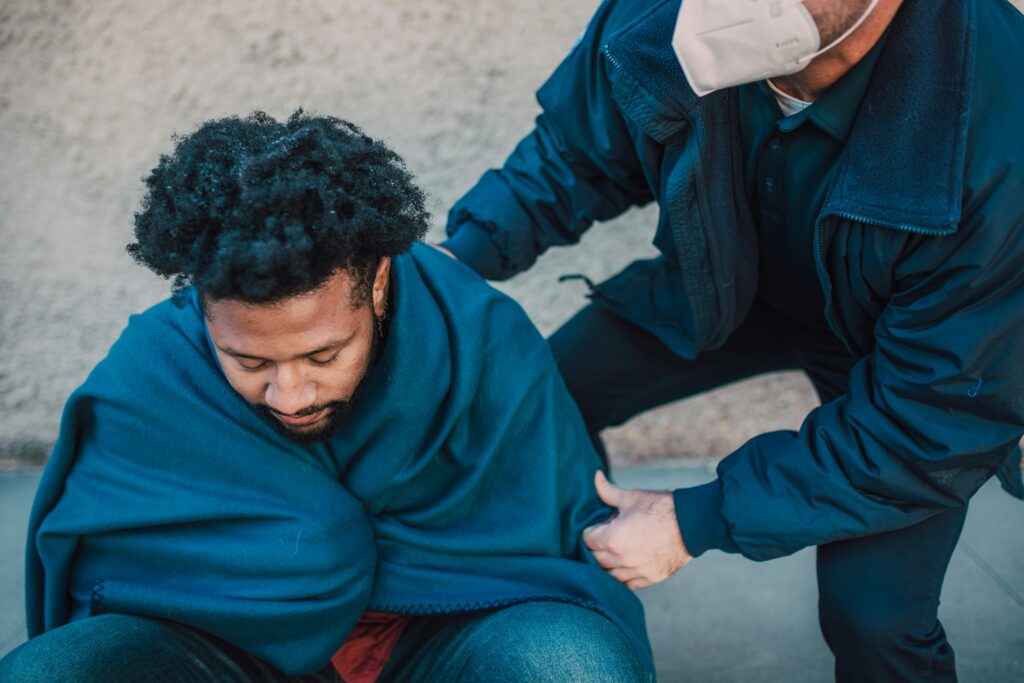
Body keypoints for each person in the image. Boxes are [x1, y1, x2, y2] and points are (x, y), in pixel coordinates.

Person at [439, 0, 1024, 681]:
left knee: (874, 615)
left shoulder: (1000, 131)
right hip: (728, 284)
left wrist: (691, 521)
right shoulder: (664, 16)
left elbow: (925, 420)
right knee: (541, 401)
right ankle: (583, 602)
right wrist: (452, 265)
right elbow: (580, 150)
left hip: (905, 360)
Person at [0, 111, 653, 683]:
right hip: (233, 643)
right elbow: (114, 565)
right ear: (203, 305)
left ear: (377, 285)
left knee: (574, 667)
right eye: (249, 361)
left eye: (323, 355)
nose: (290, 394)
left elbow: (550, 538)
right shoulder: (153, 369)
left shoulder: (479, 338)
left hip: (444, 638)